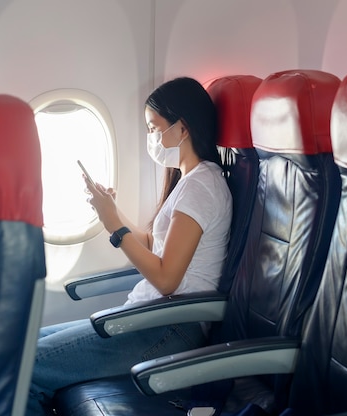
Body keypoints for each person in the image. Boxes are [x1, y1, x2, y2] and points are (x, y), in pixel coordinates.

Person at [27, 77, 233, 415]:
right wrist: (111, 210)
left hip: (172, 326)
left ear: (182, 128)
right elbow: (156, 243)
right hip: (151, 317)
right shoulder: (190, 181)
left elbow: (167, 280)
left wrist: (115, 226)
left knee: (28, 368)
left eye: (154, 128)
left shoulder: (203, 186)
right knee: (27, 344)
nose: (150, 137)